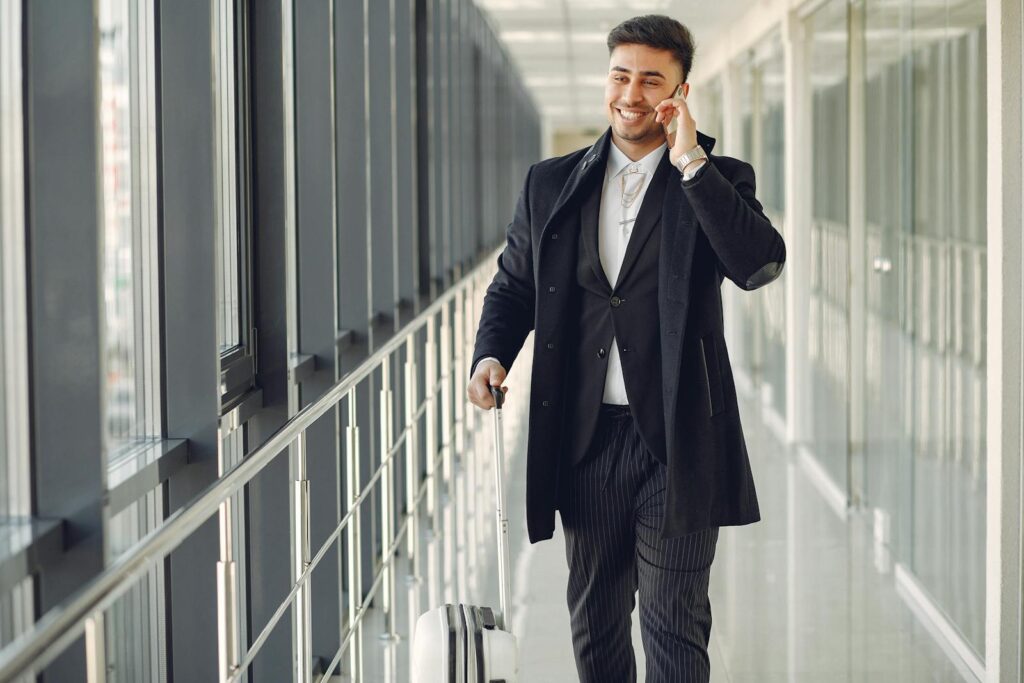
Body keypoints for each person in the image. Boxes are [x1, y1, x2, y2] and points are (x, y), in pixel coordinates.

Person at [466, 14, 786, 683]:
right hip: (584, 438)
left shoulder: (715, 177)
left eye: (651, 80)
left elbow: (758, 264)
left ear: (680, 92)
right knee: (595, 620)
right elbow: (514, 284)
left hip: (677, 438)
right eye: (620, 75)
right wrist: (490, 354)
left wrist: (691, 161)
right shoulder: (550, 183)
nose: (631, 93)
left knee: (672, 621)